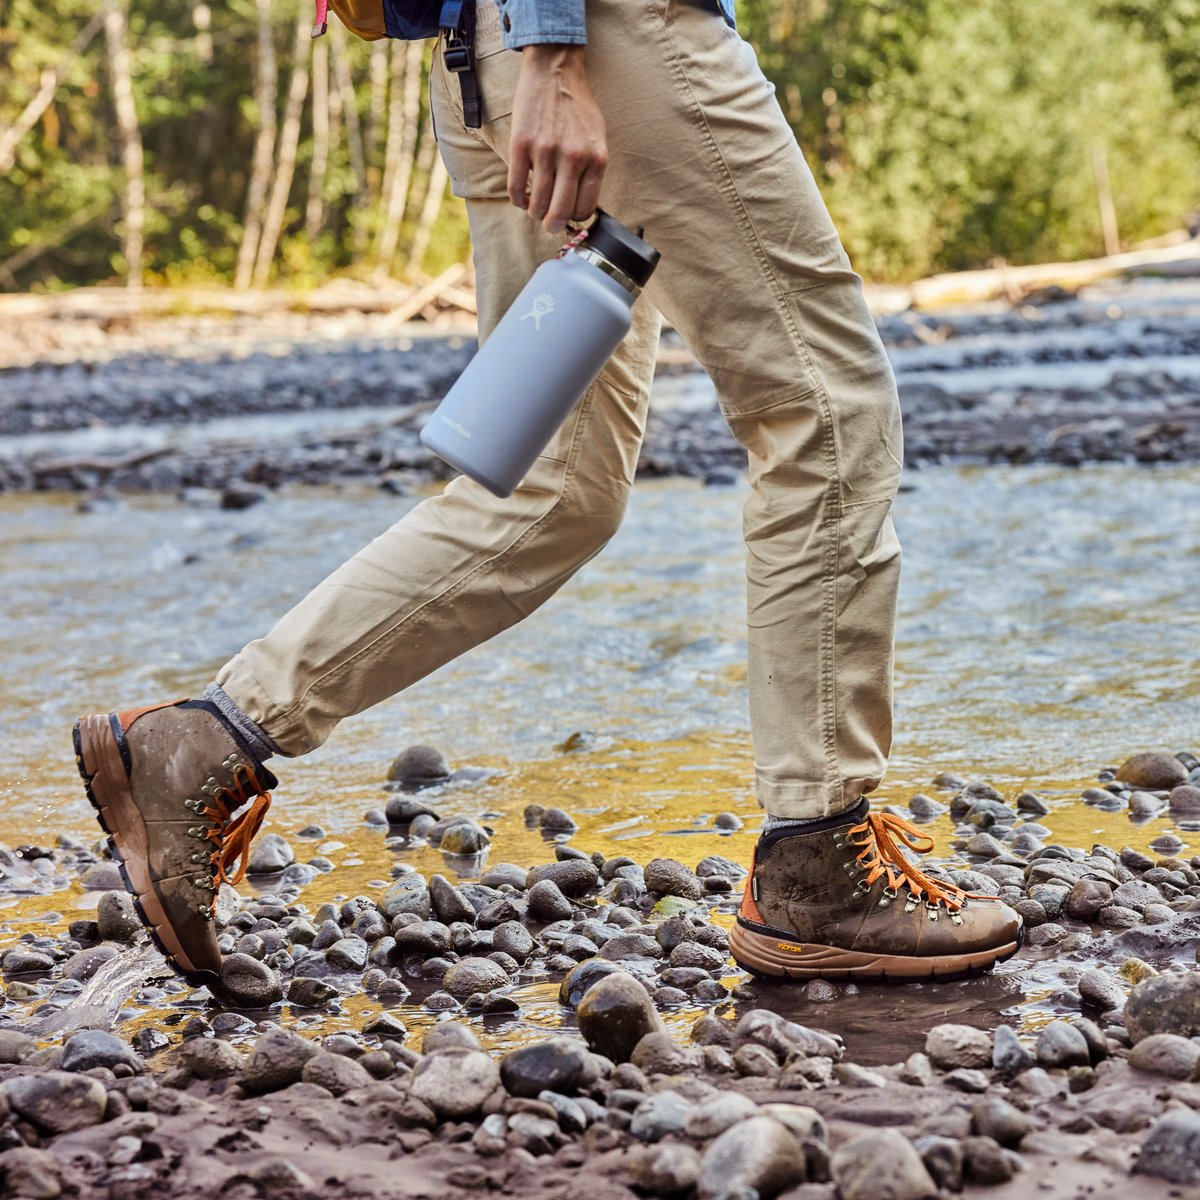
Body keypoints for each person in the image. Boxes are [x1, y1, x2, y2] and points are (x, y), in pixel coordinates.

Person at [73, 0, 1021, 993]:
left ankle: (205, 741)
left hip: (481, 60)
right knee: (823, 412)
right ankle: (819, 858)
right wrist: (556, 55)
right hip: (605, 37)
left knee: (554, 488)